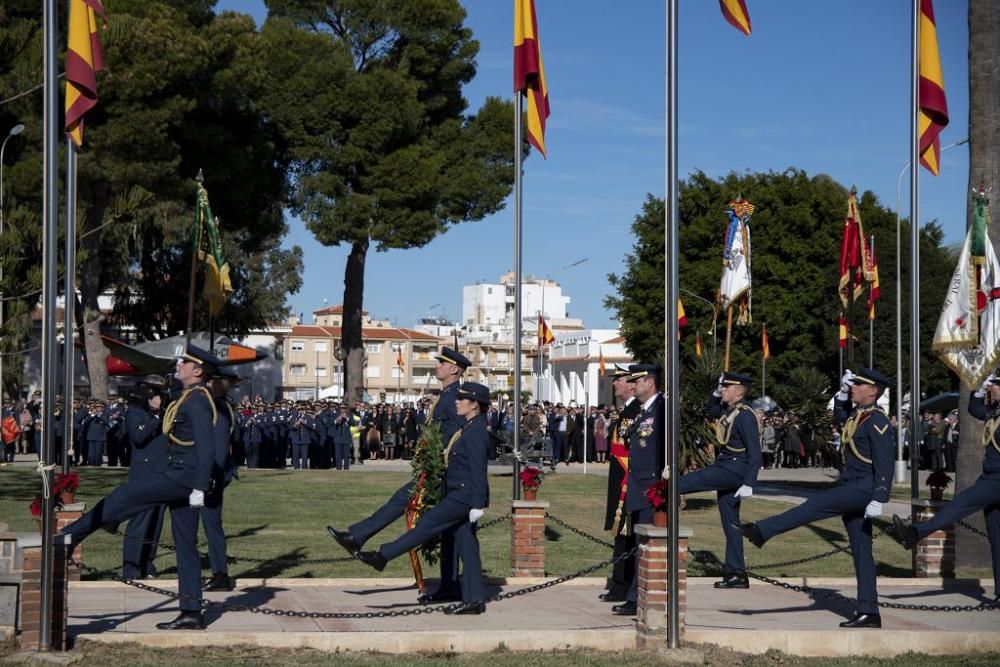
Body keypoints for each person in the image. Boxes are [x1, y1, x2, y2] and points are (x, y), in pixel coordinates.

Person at [60, 345, 231, 630]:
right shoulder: (188, 396)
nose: (179, 365)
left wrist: (200, 486)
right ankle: (191, 612)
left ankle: (70, 536)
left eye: (185, 363)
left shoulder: (198, 401)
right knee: (186, 546)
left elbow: (205, 447)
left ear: (198, 371)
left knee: (126, 494)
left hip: (183, 478)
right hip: (184, 477)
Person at [741, 368, 894, 629]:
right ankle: (869, 611)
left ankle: (763, 531)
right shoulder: (860, 416)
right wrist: (844, 394)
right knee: (862, 552)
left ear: (873, 391)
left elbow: (885, 462)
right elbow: (840, 416)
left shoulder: (878, 421)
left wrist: (880, 495)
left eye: (859, 384)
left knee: (816, 505)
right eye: (853, 384)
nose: (854, 387)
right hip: (854, 484)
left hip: (863, 488)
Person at [327, 347, 470, 604]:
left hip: (443, 472)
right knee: (446, 528)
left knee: (428, 515)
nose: (437, 366)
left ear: (454, 369)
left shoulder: (454, 397)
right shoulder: (446, 395)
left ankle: (358, 538)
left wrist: (439, 460)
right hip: (435, 468)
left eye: (442, 363)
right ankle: (449, 585)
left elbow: (459, 436)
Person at [354, 382, 491, 615]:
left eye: (462, 399)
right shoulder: (468, 427)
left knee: (426, 525)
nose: (456, 402)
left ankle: (383, 556)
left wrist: (478, 504)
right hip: (458, 492)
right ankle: (474, 599)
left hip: (463, 496)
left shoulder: (476, 431)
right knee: (467, 546)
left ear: (474, 405)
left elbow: (479, 470)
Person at [893, 372, 1000, 602]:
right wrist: (979, 390)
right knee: (997, 537)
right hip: (990, 475)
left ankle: (916, 533)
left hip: (997, 479)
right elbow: (974, 410)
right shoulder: (994, 411)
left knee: (961, 502)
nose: (993, 389)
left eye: (996, 386)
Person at [677, 372, 760, 590]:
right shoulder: (728, 410)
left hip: (733, 469)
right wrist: (714, 394)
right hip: (727, 468)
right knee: (731, 525)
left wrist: (750, 482)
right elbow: (710, 410)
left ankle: (667, 492)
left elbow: (755, 452)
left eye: (725, 387)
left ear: (738, 391)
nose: (722, 390)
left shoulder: (745, 415)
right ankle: (736, 574)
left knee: (679, 485)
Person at [613, 364, 665, 616]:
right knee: (638, 542)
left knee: (645, 544)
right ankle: (636, 594)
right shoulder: (646, 410)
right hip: (639, 486)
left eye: (637, 381)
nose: (632, 386)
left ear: (651, 382)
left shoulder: (662, 408)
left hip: (651, 488)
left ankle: (637, 597)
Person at [600, 365, 641, 604]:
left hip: (628, 480)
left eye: (619, 380)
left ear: (630, 383)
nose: (614, 384)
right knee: (620, 535)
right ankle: (619, 584)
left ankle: (624, 585)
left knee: (627, 535)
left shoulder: (636, 410)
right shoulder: (626, 410)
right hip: (620, 480)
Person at [199, 366, 241, 593]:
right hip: (205, 474)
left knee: (211, 526)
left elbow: (219, 449)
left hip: (208, 476)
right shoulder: (218, 405)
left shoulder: (218, 408)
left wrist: (209, 477)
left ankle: (219, 573)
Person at [121, 378, 166, 580]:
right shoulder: (134, 413)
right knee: (140, 521)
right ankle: (131, 567)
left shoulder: (156, 414)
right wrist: (155, 415)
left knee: (155, 523)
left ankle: (147, 563)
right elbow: (139, 438)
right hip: (144, 474)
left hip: (160, 472)